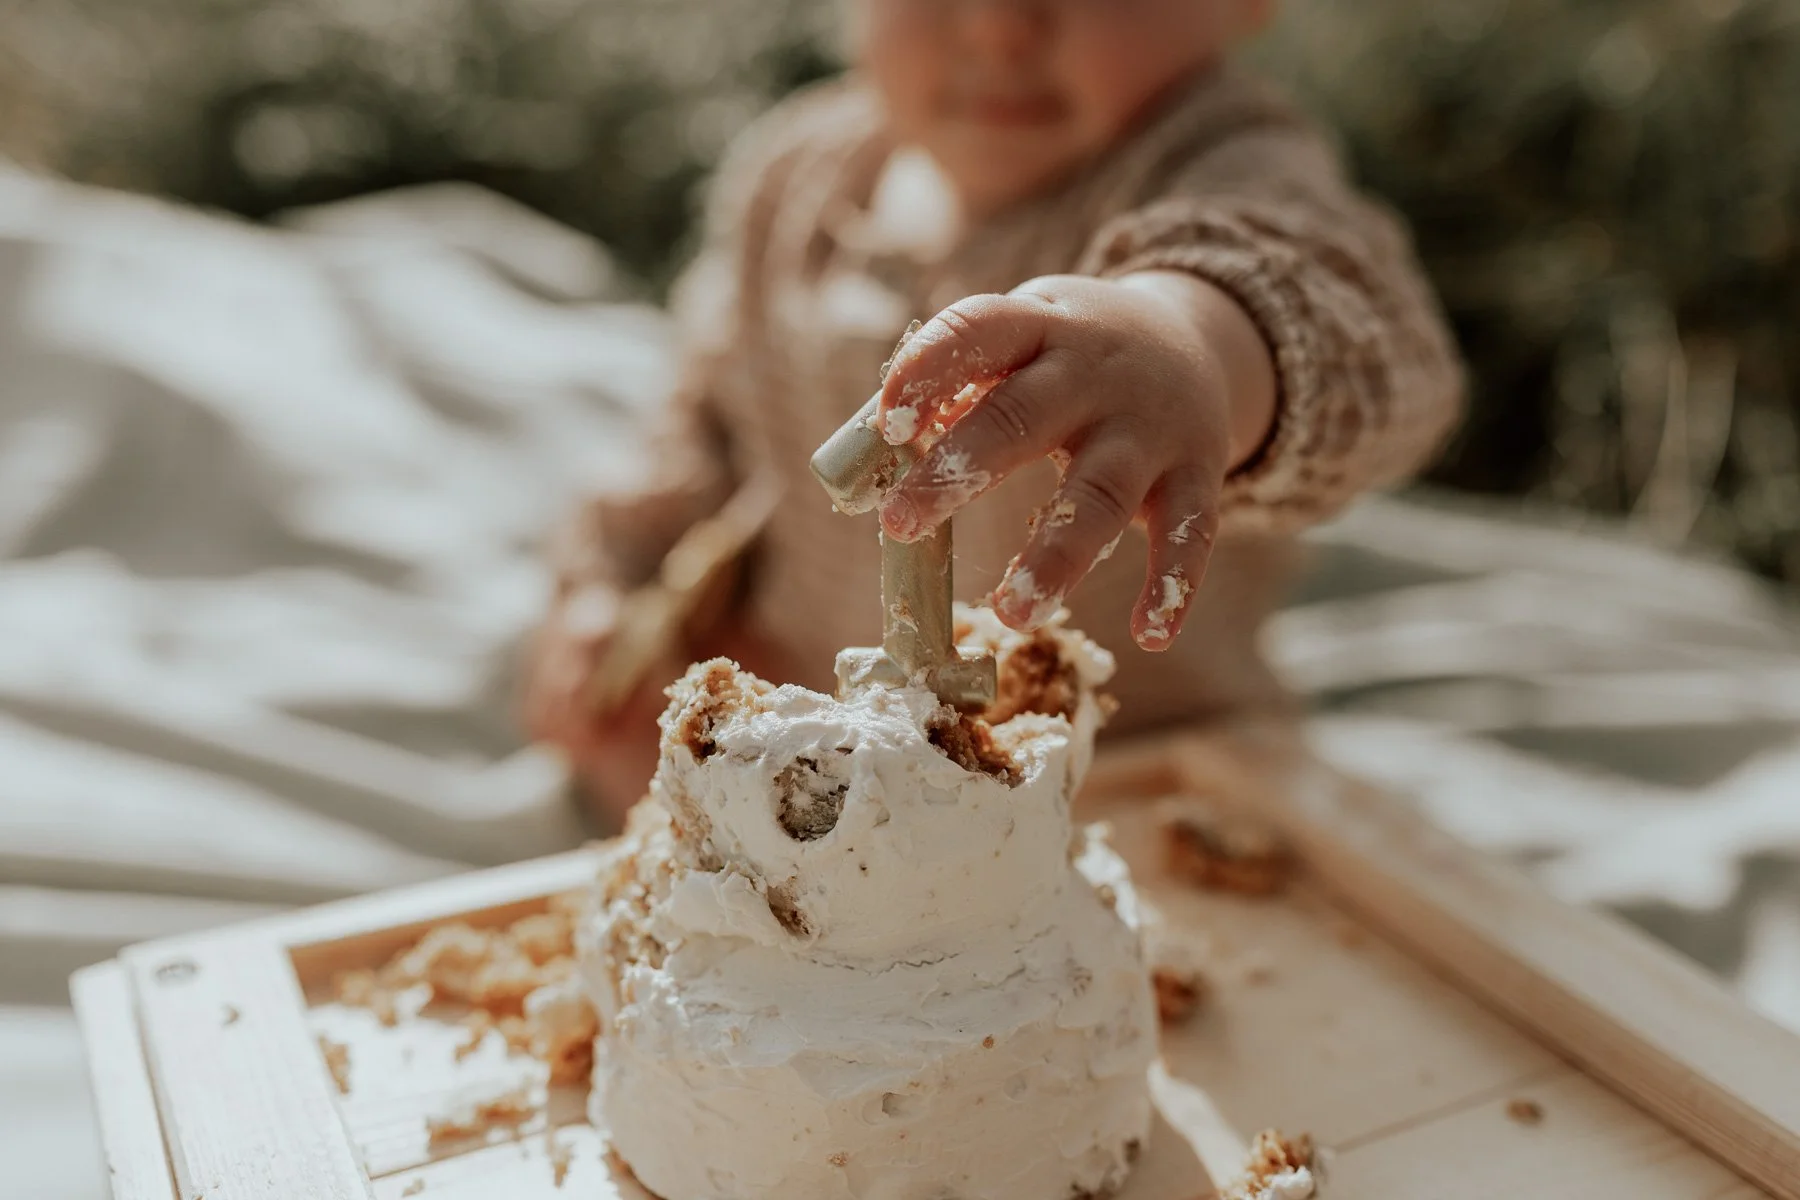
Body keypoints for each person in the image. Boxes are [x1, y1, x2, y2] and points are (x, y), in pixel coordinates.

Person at [525, 0, 1464, 821]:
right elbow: (699, 424)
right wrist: (616, 576)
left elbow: (1370, 340)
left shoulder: (1218, 167)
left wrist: (1193, 339)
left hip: (1125, 776)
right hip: (822, 752)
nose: (999, 23)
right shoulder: (796, 178)